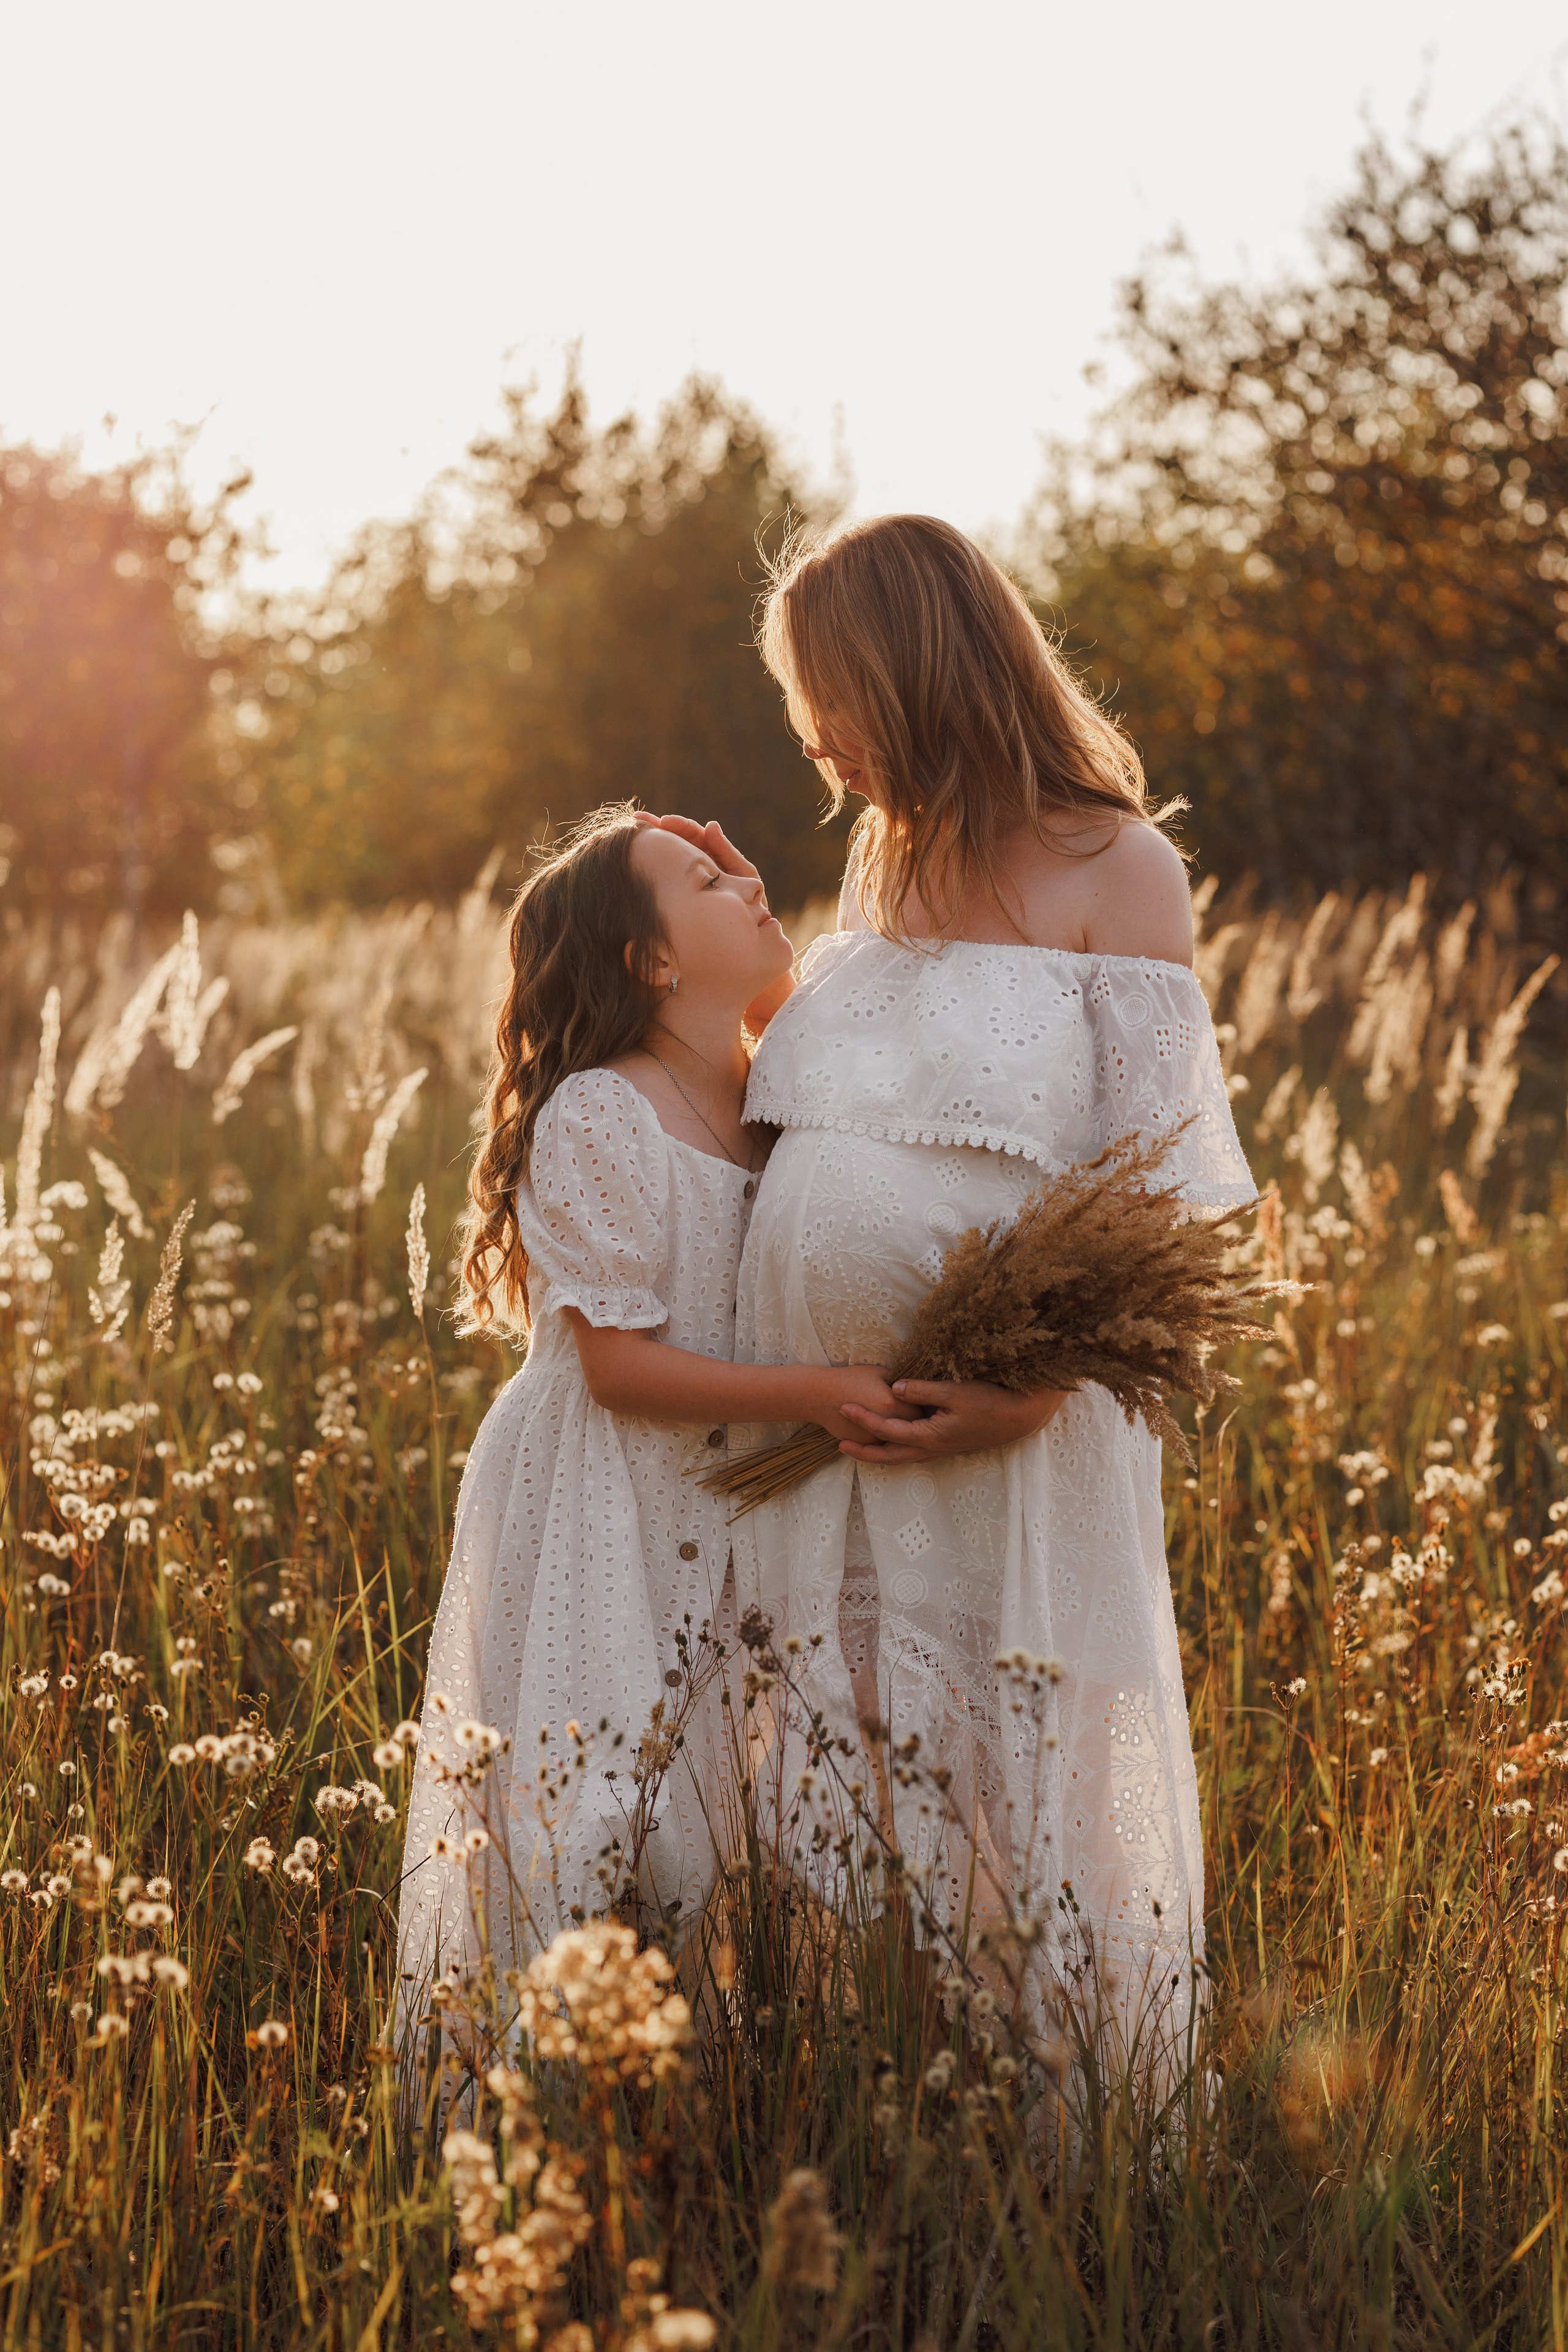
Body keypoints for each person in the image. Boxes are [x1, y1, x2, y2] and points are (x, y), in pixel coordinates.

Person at [648, 515, 1256, 2059]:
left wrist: (1025, 1392)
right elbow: (854, 1084)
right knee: (845, 1757)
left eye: (823, 697)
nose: (814, 741)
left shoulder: (1117, 867)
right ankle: (860, 2073)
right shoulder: (883, 855)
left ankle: (1033, 2118)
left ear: (907, 669)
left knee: (999, 1765)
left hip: (1002, 1433)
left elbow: (1162, 1192)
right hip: (826, 1437)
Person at [395, 802, 913, 2056]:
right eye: (705, 879)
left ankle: (711, 2086)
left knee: (740, 1797)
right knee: (609, 1810)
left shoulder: (782, 1086)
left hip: (741, 1487)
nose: (748, 880)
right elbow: (619, 1368)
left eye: (741, 864)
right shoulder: (601, 1114)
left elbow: (829, 1052)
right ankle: (558, 2096)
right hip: (609, 1492)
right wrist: (812, 1391)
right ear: (652, 962)